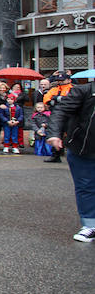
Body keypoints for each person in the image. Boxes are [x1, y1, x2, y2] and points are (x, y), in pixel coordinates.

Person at [45, 82, 95, 242]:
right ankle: (90, 225)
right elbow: (60, 111)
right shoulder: (84, 91)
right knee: (86, 186)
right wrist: (54, 133)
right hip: (83, 148)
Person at [43, 71, 73, 163]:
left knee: (71, 134)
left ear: (68, 80)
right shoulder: (54, 89)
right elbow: (46, 100)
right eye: (59, 80)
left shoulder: (73, 89)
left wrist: (56, 99)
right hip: (56, 114)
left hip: (70, 115)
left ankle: (73, 154)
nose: (60, 82)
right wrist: (58, 99)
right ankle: (56, 155)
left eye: (62, 80)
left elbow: (70, 100)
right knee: (56, 133)